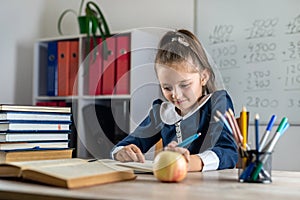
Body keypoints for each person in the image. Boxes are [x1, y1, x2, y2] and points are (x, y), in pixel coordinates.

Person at [111, 29, 238, 172]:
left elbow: (228, 152)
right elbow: (127, 144)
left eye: (184, 85)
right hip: (171, 186)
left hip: (211, 188)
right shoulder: (161, 112)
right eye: (167, 88)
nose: (176, 95)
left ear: (203, 77)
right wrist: (122, 152)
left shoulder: (217, 103)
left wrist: (188, 163)